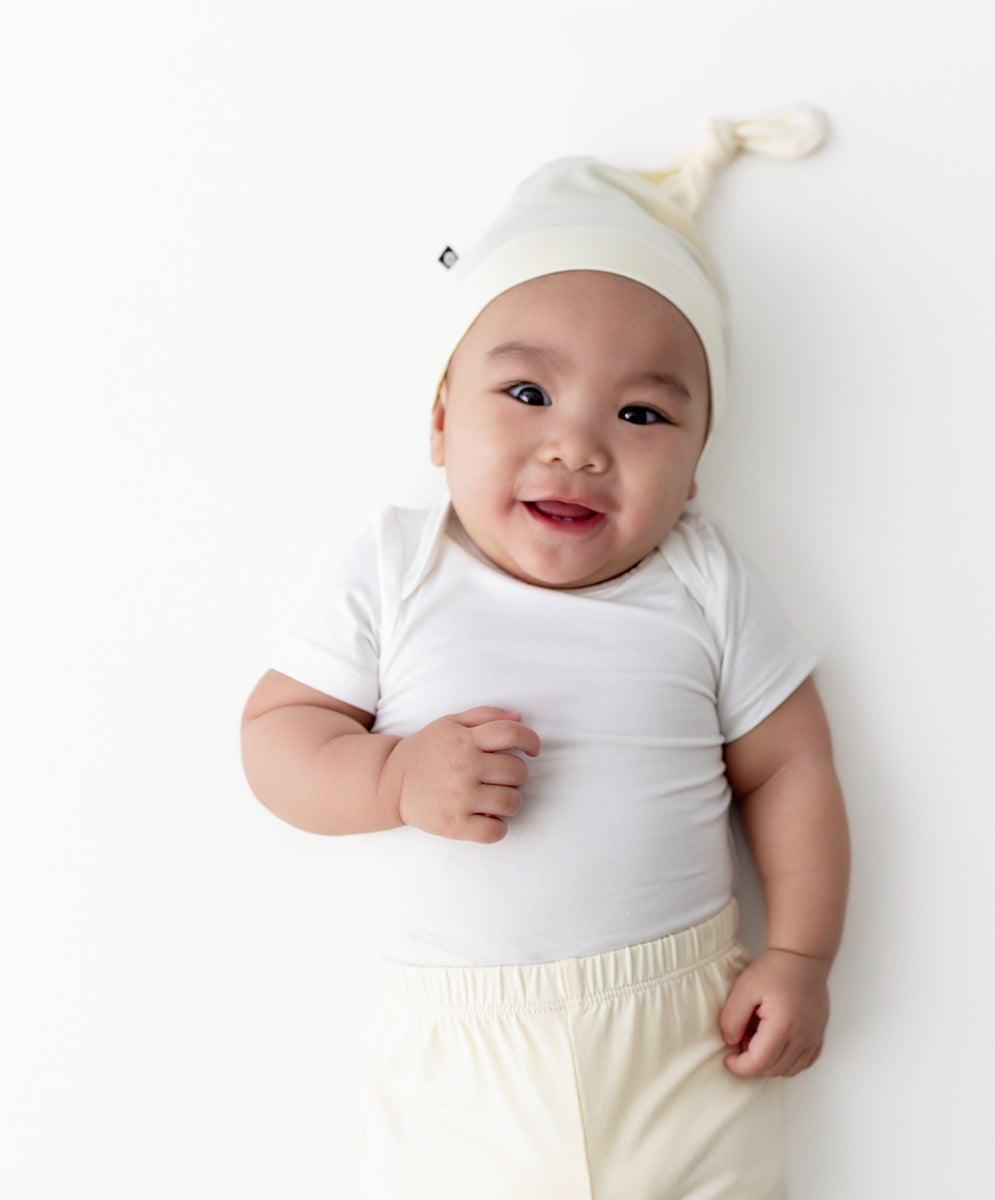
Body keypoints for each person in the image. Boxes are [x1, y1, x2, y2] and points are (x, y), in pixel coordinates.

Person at [240, 107, 850, 1200]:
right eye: (526, 394)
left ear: (700, 464)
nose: (578, 445)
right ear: (439, 419)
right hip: (462, 1061)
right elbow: (276, 736)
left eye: (642, 414)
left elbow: (790, 765)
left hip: (682, 1037)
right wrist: (390, 775)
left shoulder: (706, 578)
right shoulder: (398, 565)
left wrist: (800, 954)